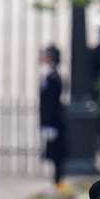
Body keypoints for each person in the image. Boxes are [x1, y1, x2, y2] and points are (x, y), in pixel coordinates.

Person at [39, 44, 68, 186]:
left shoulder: (53, 77)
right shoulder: (49, 75)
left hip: (54, 121)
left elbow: (51, 103)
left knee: (57, 154)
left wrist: (48, 123)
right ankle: (57, 180)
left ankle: (58, 181)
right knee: (54, 153)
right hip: (52, 121)